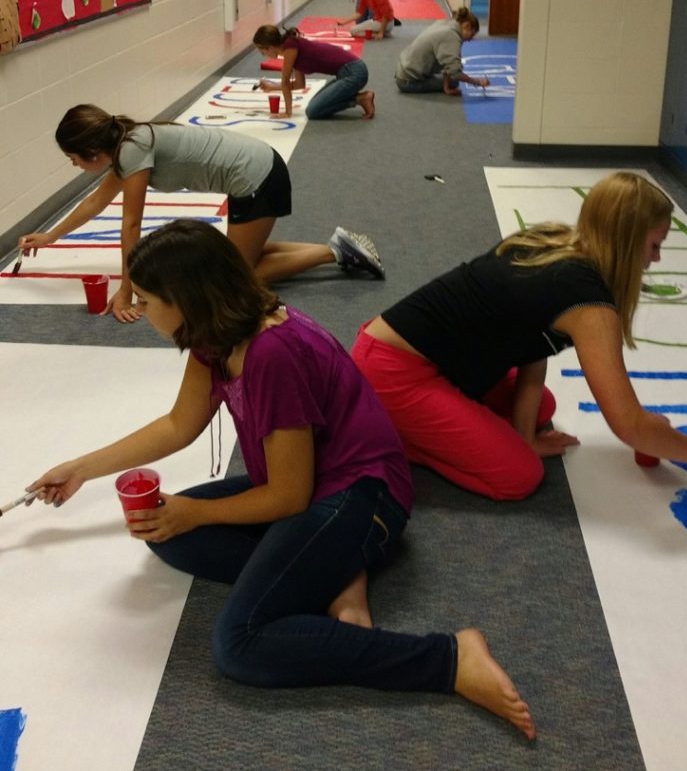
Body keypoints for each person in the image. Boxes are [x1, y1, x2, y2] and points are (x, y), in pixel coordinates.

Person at [26, 219, 535, 740]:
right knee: (170, 536)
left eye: (149, 299)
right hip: (309, 489)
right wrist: (81, 468)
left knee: (239, 644)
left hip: (363, 495)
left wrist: (193, 511)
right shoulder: (214, 334)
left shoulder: (273, 354)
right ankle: (335, 572)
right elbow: (180, 424)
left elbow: (288, 497)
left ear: (186, 300)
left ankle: (449, 658)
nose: (141, 310)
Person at [351, 172, 687, 500]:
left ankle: (433, 422)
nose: (657, 258)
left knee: (543, 407)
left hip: (413, 353)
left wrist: (526, 436)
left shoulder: (554, 240)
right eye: (654, 245)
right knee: (519, 473)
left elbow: (530, 343)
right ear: (627, 241)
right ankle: (395, 433)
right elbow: (629, 424)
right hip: (393, 372)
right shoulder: (590, 304)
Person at [17, 105, 384, 322]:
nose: (73, 165)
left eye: (74, 159)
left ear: (94, 150)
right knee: (234, 258)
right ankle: (337, 245)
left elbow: (131, 226)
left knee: (233, 281)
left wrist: (127, 291)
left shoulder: (131, 152)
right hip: (254, 173)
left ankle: (335, 252)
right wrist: (50, 236)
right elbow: (95, 203)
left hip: (258, 179)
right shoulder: (125, 145)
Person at [252, 25, 375, 120]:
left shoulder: (290, 47)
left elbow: (285, 81)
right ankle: (359, 98)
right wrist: (272, 87)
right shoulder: (290, 48)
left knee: (312, 111)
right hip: (346, 73)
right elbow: (300, 84)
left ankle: (360, 99)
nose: (263, 55)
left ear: (269, 47)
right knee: (316, 105)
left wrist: (287, 112)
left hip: (355, 73)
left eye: (262, 51)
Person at [395, 7, 490, 95]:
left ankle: (443, 85)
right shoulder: (451, 36)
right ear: (466, 25)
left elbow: (447, 62)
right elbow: (455, 73)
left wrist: (446, 87)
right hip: (408, 82)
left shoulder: (445, 23)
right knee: (454, 81)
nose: (470, 39)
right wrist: (477, 82)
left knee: (450, 75)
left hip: (403, 69)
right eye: (472, 34)